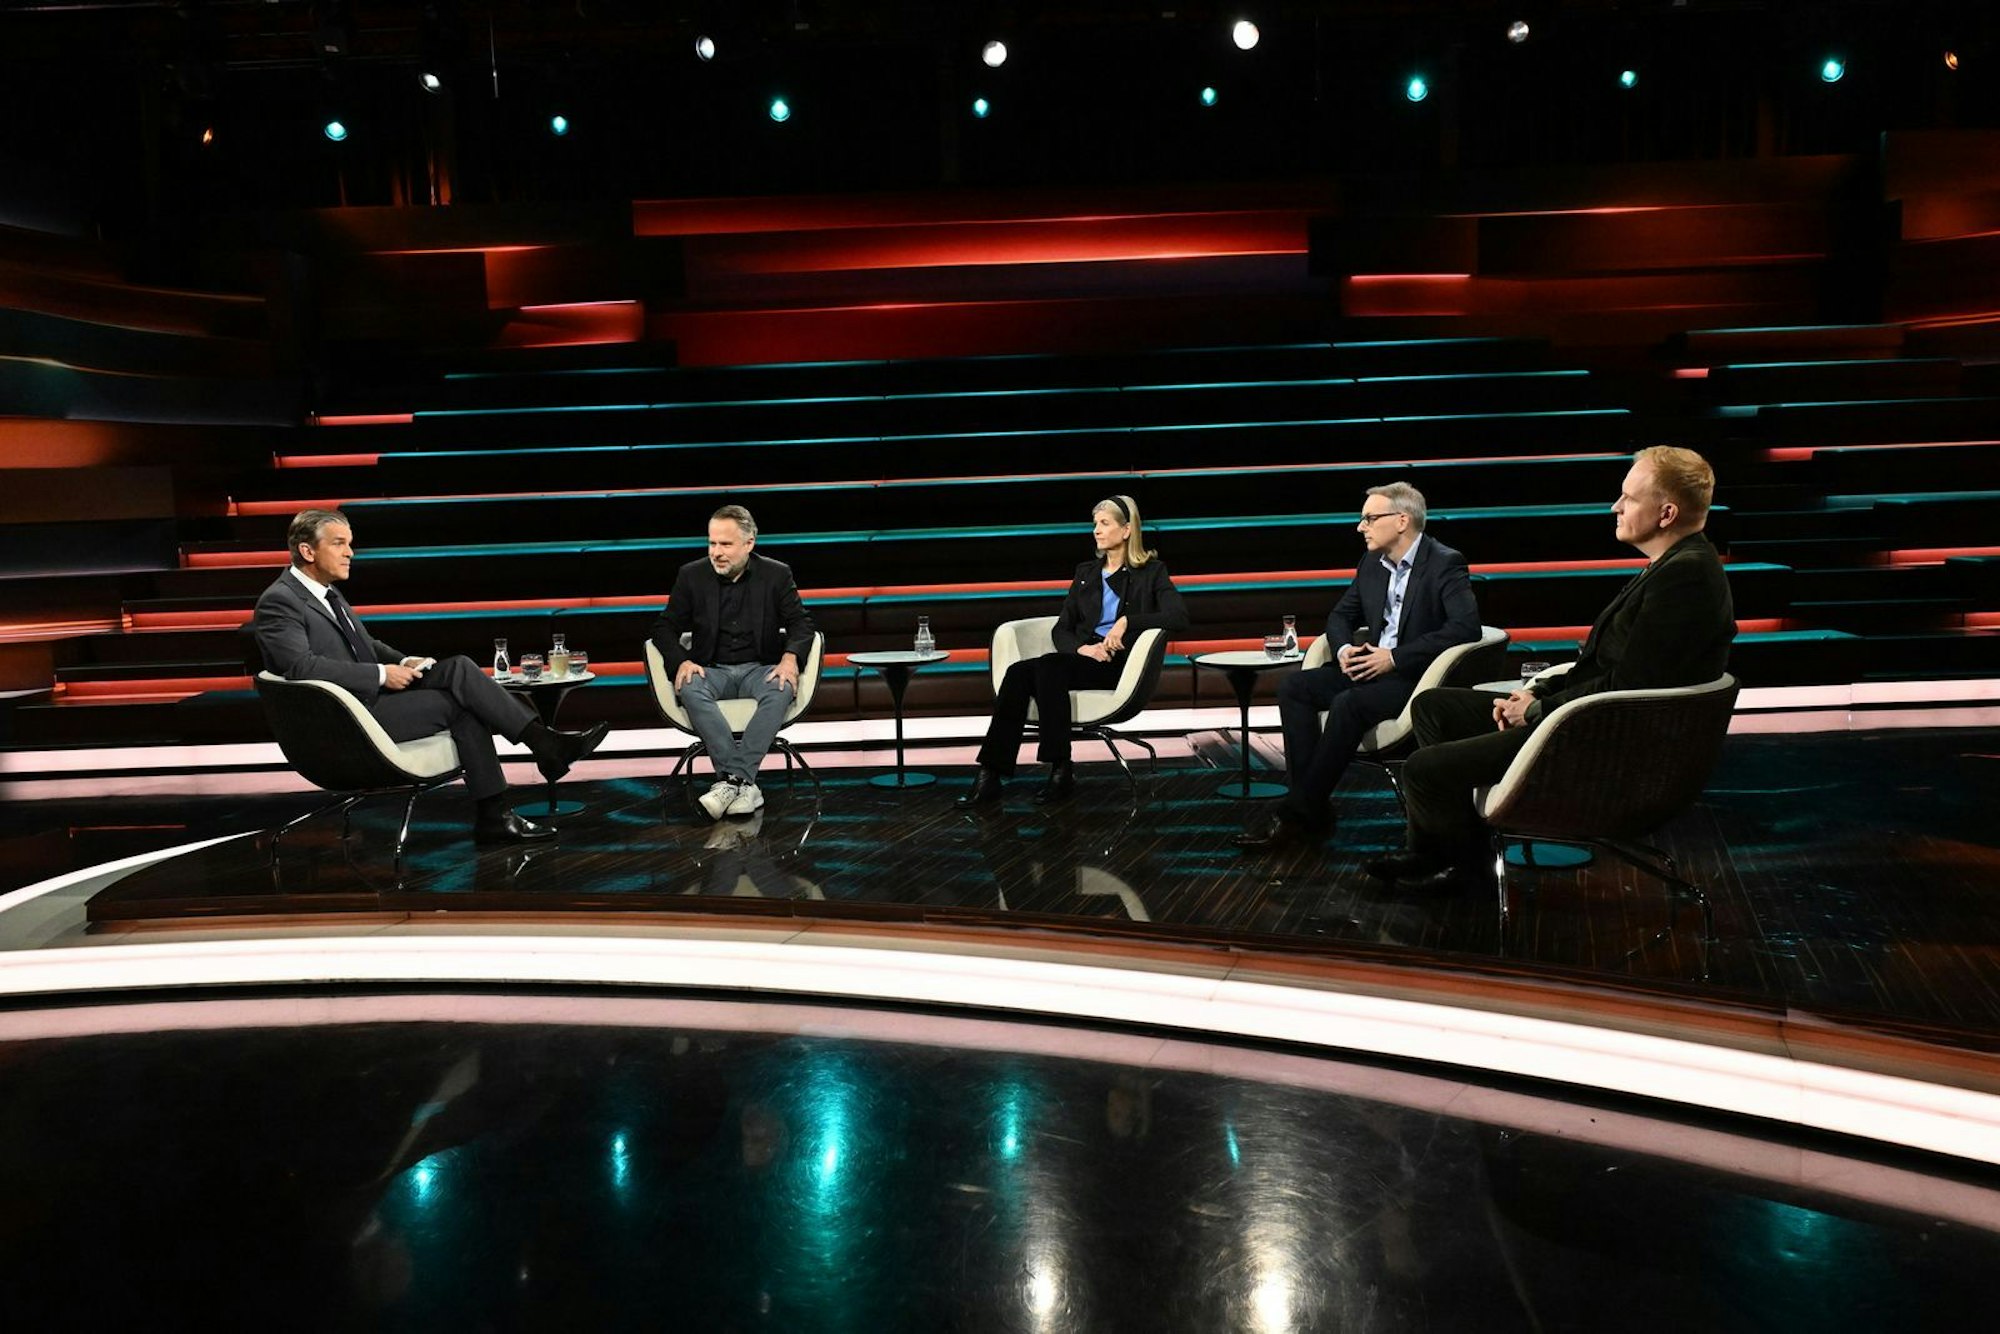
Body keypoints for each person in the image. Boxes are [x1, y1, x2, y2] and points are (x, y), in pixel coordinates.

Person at [1369, 446, 1736, 890]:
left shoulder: (1687, 577)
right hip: (1584, 716)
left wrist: (1539, 711)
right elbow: (1602, 667)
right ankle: (1449, 855)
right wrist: (1537, 695)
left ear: (1666, 513)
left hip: (1600, 740)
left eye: (1629, 498)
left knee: (1425, 769)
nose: (1615, 507)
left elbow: (1629, 687)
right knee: (1433, 707)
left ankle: (1463, 873)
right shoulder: (1674, 566)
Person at [253, 509, 609, 844]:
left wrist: (404, 660)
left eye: (350, 543)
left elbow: (367, 643)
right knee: (463, 706)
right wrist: (380, 675)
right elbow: (301, 666)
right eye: (339, 543)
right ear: (307, 551)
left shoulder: (327, 592)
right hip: (346, 721)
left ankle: (525, 771)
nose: (350, 553)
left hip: (371, 703)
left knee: (459, 668)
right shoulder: (280, 601)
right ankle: (526, 772)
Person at [1235, 482, 1479, 850]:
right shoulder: (1372, 564)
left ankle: (1298, 814)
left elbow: (1466, 627)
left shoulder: (1444, 562)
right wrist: (1345, 647)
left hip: (1415, 676)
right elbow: (1340, 615)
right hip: (1371, 667)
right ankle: (1310, 809)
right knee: (1294, 688)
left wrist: (1395, 657)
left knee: (1348, 703)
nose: (1360, 527)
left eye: (1369, 518)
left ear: (1401, 520)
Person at [959, 495, 1189, 807]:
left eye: (1105, 523)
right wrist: (1083, 649)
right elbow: (1061, 628)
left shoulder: (1151, 572)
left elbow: (1179, 616)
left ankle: (1061, 768)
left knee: (1049, 667)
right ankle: (991, 775)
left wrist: (1127, 622)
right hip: (1082, 658)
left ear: (1126, 530)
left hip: (1118, 664)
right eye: (1095, 524)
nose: (1096, 530)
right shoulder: (1086, 573)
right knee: (1017, 673)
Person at [649, 505, 818, 820]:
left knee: (781, 686)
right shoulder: (691, 575)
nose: (716, 552)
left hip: (759, 668)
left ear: (749, 543)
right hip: (712, 670)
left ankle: (730, 781)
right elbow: (664, 626)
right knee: (689, 685)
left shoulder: (776, 573)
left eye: (725, 545)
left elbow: (801, 623)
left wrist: (790, 657)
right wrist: (681, 662)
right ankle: (744, 784)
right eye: (712, 543)